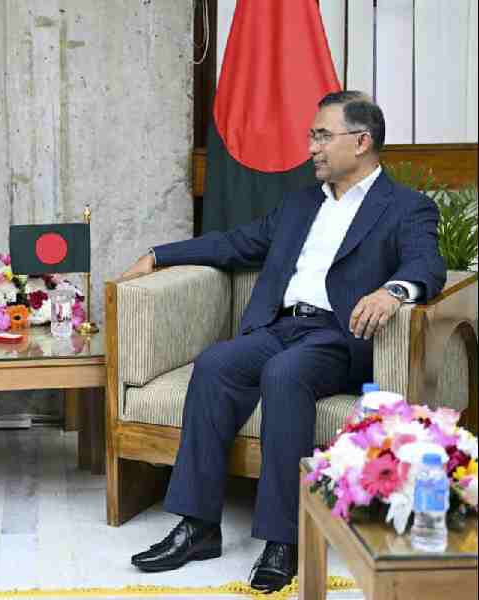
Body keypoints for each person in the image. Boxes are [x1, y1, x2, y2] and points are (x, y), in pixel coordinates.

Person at [122, 91, 446, 593]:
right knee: (216, 364)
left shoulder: (406, 207)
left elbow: (428, 264)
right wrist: (160, 255)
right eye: (312, 136)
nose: (312, 147)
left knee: (286, 374)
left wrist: (392, 291)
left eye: (322, 136)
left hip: (340, 336)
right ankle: (198, 525)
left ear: (361, 142)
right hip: (279, 328)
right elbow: (236, 243)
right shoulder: (300, 204)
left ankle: (283, 541)